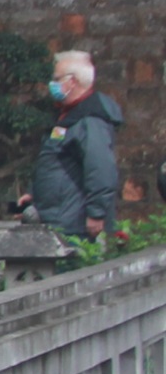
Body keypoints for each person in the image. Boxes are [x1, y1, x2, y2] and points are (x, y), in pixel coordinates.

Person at [26, 51, 120, 241]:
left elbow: (100, 167)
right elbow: (55, 159)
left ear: (72, 81)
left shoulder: (90, 119)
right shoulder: (68, 116)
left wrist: (96, 213)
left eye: (57, 78)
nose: (52, 84)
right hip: (59, 217)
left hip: (74, 224)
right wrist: (33, 194)